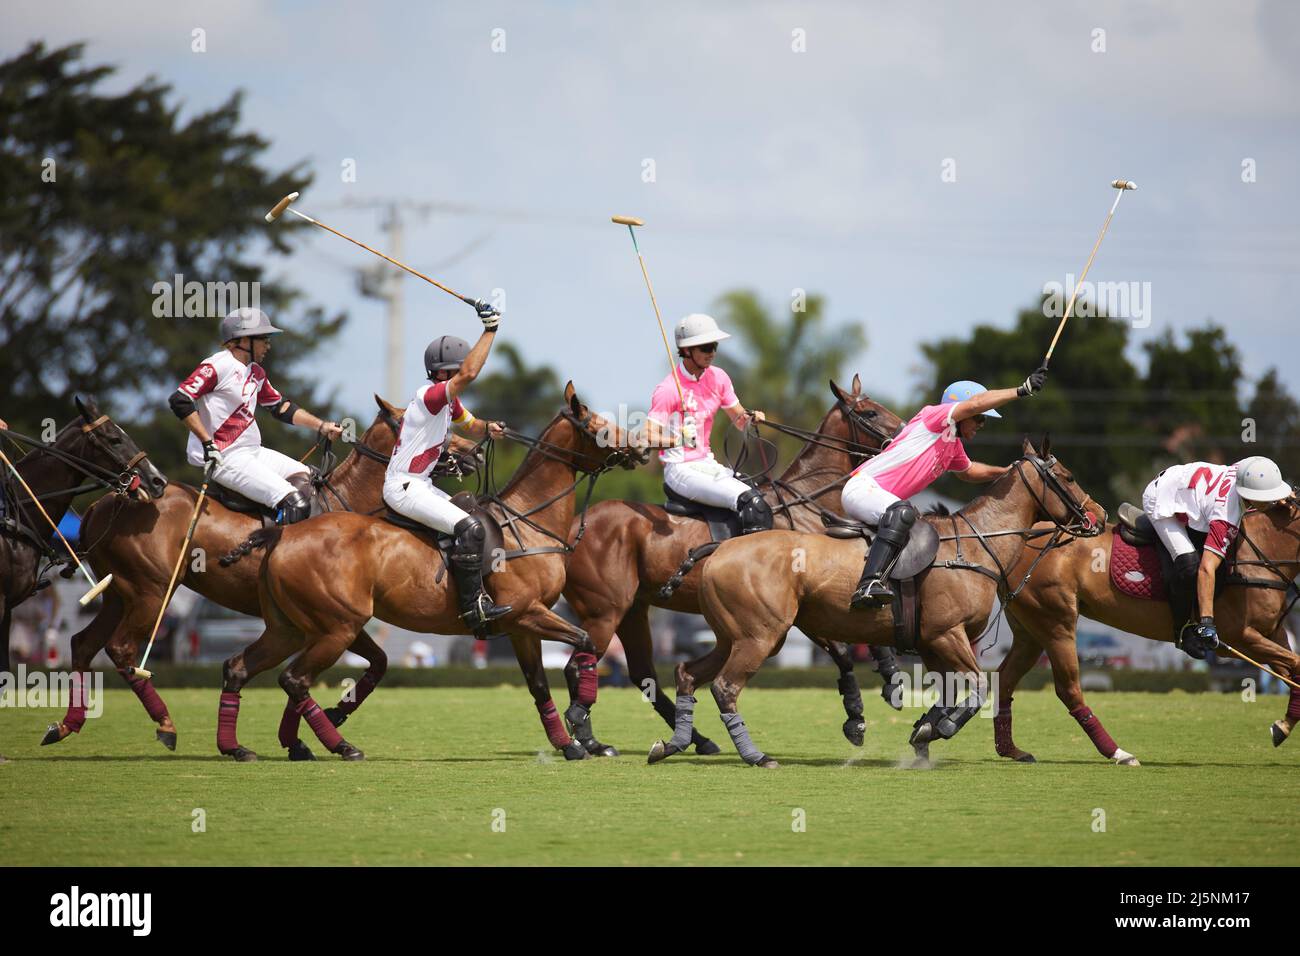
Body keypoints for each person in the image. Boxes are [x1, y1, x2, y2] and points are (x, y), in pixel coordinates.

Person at [846, 369, 1048, 609]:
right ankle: (868, 584)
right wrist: (1021, 389)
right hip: (862, 487)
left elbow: (969, 472)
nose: (981, 424)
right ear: (962, 412)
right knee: (904, 512)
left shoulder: (952, 445)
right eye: (979, 418)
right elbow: (976, 403)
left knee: (914, 523)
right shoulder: (934, 417)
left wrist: (1008, 471)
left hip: (877, 498)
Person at [383, 304, 511, 634]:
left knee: (473, 512)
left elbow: (471, 425)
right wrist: (490, 330)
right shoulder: (430, 396)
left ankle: (459, 590)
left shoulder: (449, 403)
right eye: (455, 370)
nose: (461, 376)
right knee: (471, 529)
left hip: (419, 485)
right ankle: (474, 609)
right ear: (443, 373)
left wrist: (489, 428)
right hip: (405, 486)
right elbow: (469, 374)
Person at [169, 308, 342, 523]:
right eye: (264, 339)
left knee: (309, 481)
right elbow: (180, 399)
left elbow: (281, 408)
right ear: (242, 340)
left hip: (253, 452)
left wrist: (321, 426)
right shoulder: (217, 365)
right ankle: (273, 553)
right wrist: (207, 443)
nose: (268, 346)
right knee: (294, 501)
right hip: (225, 458)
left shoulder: (255, 372)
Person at [1141, 455, 1292, 659]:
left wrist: (1278, 494)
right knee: (1189, 565)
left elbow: (1259, 476)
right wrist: (1207, 622)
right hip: (1161, 498)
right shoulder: (1226, 517)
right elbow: (1206, 569)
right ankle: (1183, 632)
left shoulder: (1245, 469)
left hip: (1184, 486)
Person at [642, 313, 770, 534]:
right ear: (687, 351)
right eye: (705, 348)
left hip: (707, 464)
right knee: (752, 504)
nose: (711, 353)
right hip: (680, 470)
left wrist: (751, 418)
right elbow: (646, 436)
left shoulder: (718, 378)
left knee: (765, 494)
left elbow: (739, 420)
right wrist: (677, 440)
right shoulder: (669, 389)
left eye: (714, 346)